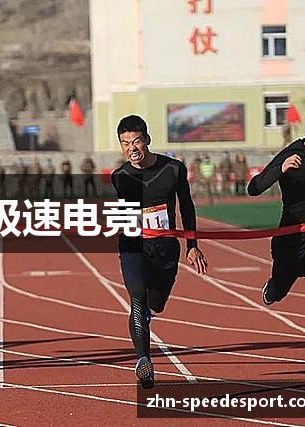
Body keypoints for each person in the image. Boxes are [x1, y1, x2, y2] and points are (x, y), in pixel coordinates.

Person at [111, 115, 208, 389]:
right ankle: (144, 361)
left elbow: (186, 207)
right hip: (133, 247)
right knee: (137, 298)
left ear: (147, 140)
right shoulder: (120, 177)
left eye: (136, 141)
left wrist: (192, 246)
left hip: (165, 250)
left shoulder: (173, 170)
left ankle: (148, 313)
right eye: (125, 143)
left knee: (156, 303)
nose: (131, 148)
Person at [248, 110, 305, 357]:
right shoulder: (292, 154)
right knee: (279, 289)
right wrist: (281, 169)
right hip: (293, 235)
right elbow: (253, 188)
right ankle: (274, 287)